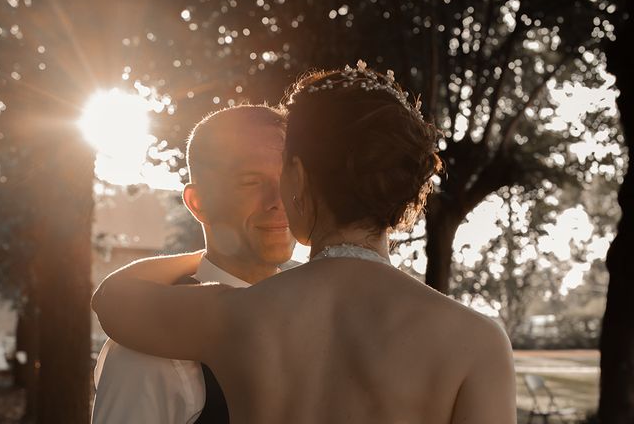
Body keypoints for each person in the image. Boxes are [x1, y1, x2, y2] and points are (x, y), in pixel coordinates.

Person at [93, 62, 517, 423]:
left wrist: (194, 259)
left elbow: (112, 298)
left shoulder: (238, 315)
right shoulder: (477, 341)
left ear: (296, 176)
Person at [92, 105, 296, 423]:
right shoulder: (148, 350)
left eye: (288, 179)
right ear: (198, 203)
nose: (278, 200)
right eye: (250, 181)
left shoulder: (324, 305)